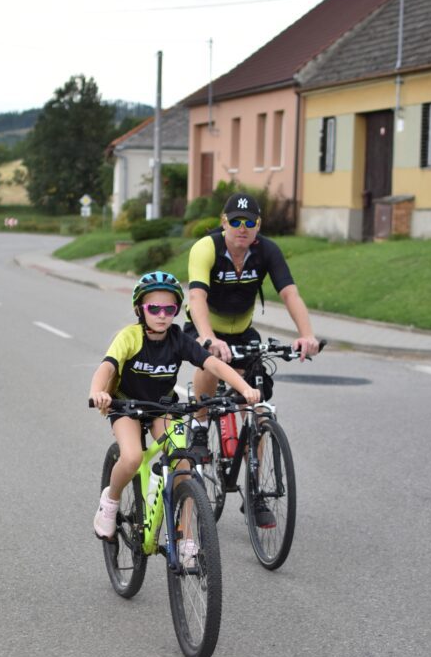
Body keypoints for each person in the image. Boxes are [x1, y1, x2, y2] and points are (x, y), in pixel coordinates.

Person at [89, 271, 260, 551]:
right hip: (126, 406)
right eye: (154, 308)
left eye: (169, 309)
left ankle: (185, 537)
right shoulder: (130, 337)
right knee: (132, 458)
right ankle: (110, 501)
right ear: (140, 309)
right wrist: (98, 391)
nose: (162, 315)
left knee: (183, 465)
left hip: (162, 407)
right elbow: (107, 367)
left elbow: (213, 364)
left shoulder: (177, 338)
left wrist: (244, 388)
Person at [184, 192, 320, 450]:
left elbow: (290, 294)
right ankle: (200, 423)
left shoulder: (267, 250)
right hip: (204, 326)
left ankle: (254, 471)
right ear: (224, 222)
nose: (242, 228)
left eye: (249, 222)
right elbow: (197, 295)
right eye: (236, 222)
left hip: (242, 330)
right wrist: (208, 337)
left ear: (258, 225)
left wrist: (306, 334)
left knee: (256, 406)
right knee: (209, 360)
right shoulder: (206, 247)